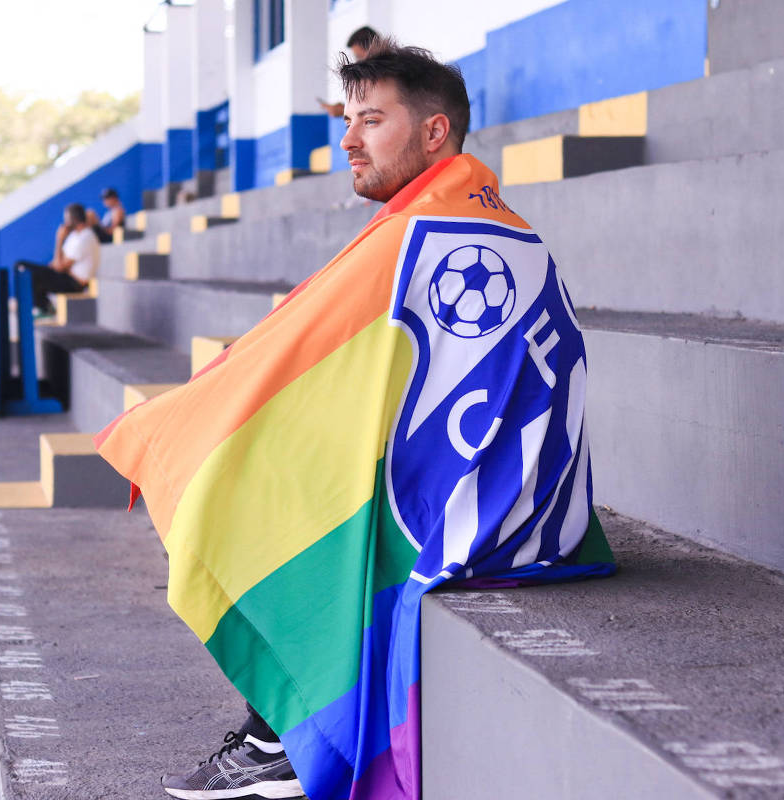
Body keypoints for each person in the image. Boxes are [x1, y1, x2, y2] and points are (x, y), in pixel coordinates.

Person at [95, 40, 615, 800]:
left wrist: (170, 425)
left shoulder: (424, 234)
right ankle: (282, 723)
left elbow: (288, 358)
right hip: (542, 505)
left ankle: (289, 731)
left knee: (247, 471)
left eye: (371, 120)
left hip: (489, 512)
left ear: (435, 133)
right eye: (348, 119)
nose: (348, 139)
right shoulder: (487, 217)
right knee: (289, 443)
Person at [15, 202, 100, 314]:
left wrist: (59, 239)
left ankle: (45, 308)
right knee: (21, 265)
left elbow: (59, 267)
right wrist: (59, 265)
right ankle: (45, 307)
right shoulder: (75, 235)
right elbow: (58, 262)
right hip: (67, 276)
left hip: (74, 284)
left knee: (34, 275)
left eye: (66, 219)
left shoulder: (86, 237)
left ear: (73, 219)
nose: (64, 222)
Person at [317, 25, 380, 118]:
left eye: (359, 56)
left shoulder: (385, 77)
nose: (358, 62)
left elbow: (376, 108)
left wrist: (344, 110)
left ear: (372, 49)